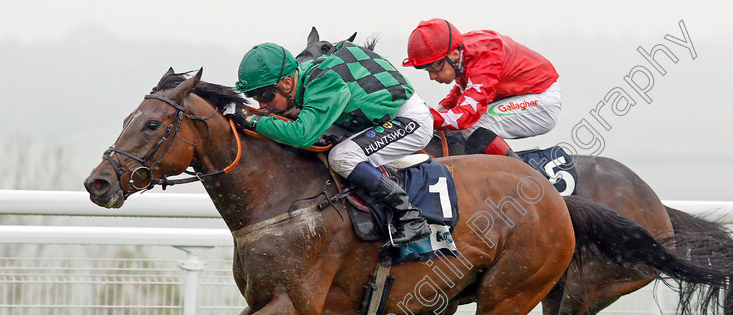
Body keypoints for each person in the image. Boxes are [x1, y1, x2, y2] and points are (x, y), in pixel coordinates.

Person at [233, 42, 433, 246]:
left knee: (342, 157)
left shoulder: (324, 81)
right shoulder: (305, 77)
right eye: (253, 96)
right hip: (379, 116)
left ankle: (409, 216)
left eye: (264, 95)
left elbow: (303, 135)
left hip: (410, 121)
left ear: (286, 83)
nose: (261, 105)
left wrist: (252, 120)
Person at [402, 19, 561, 158]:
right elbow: (459, 95)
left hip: (541, 101)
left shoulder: (485, 57)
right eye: (427, 70)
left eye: (435, 66)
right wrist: (437, 110)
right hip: (523, 96)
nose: (432, 76)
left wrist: (423, 117)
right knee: (454, 127)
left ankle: (522, 178)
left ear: (453, 55)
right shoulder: (463, 52)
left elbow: (464, 118)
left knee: (472, 125)